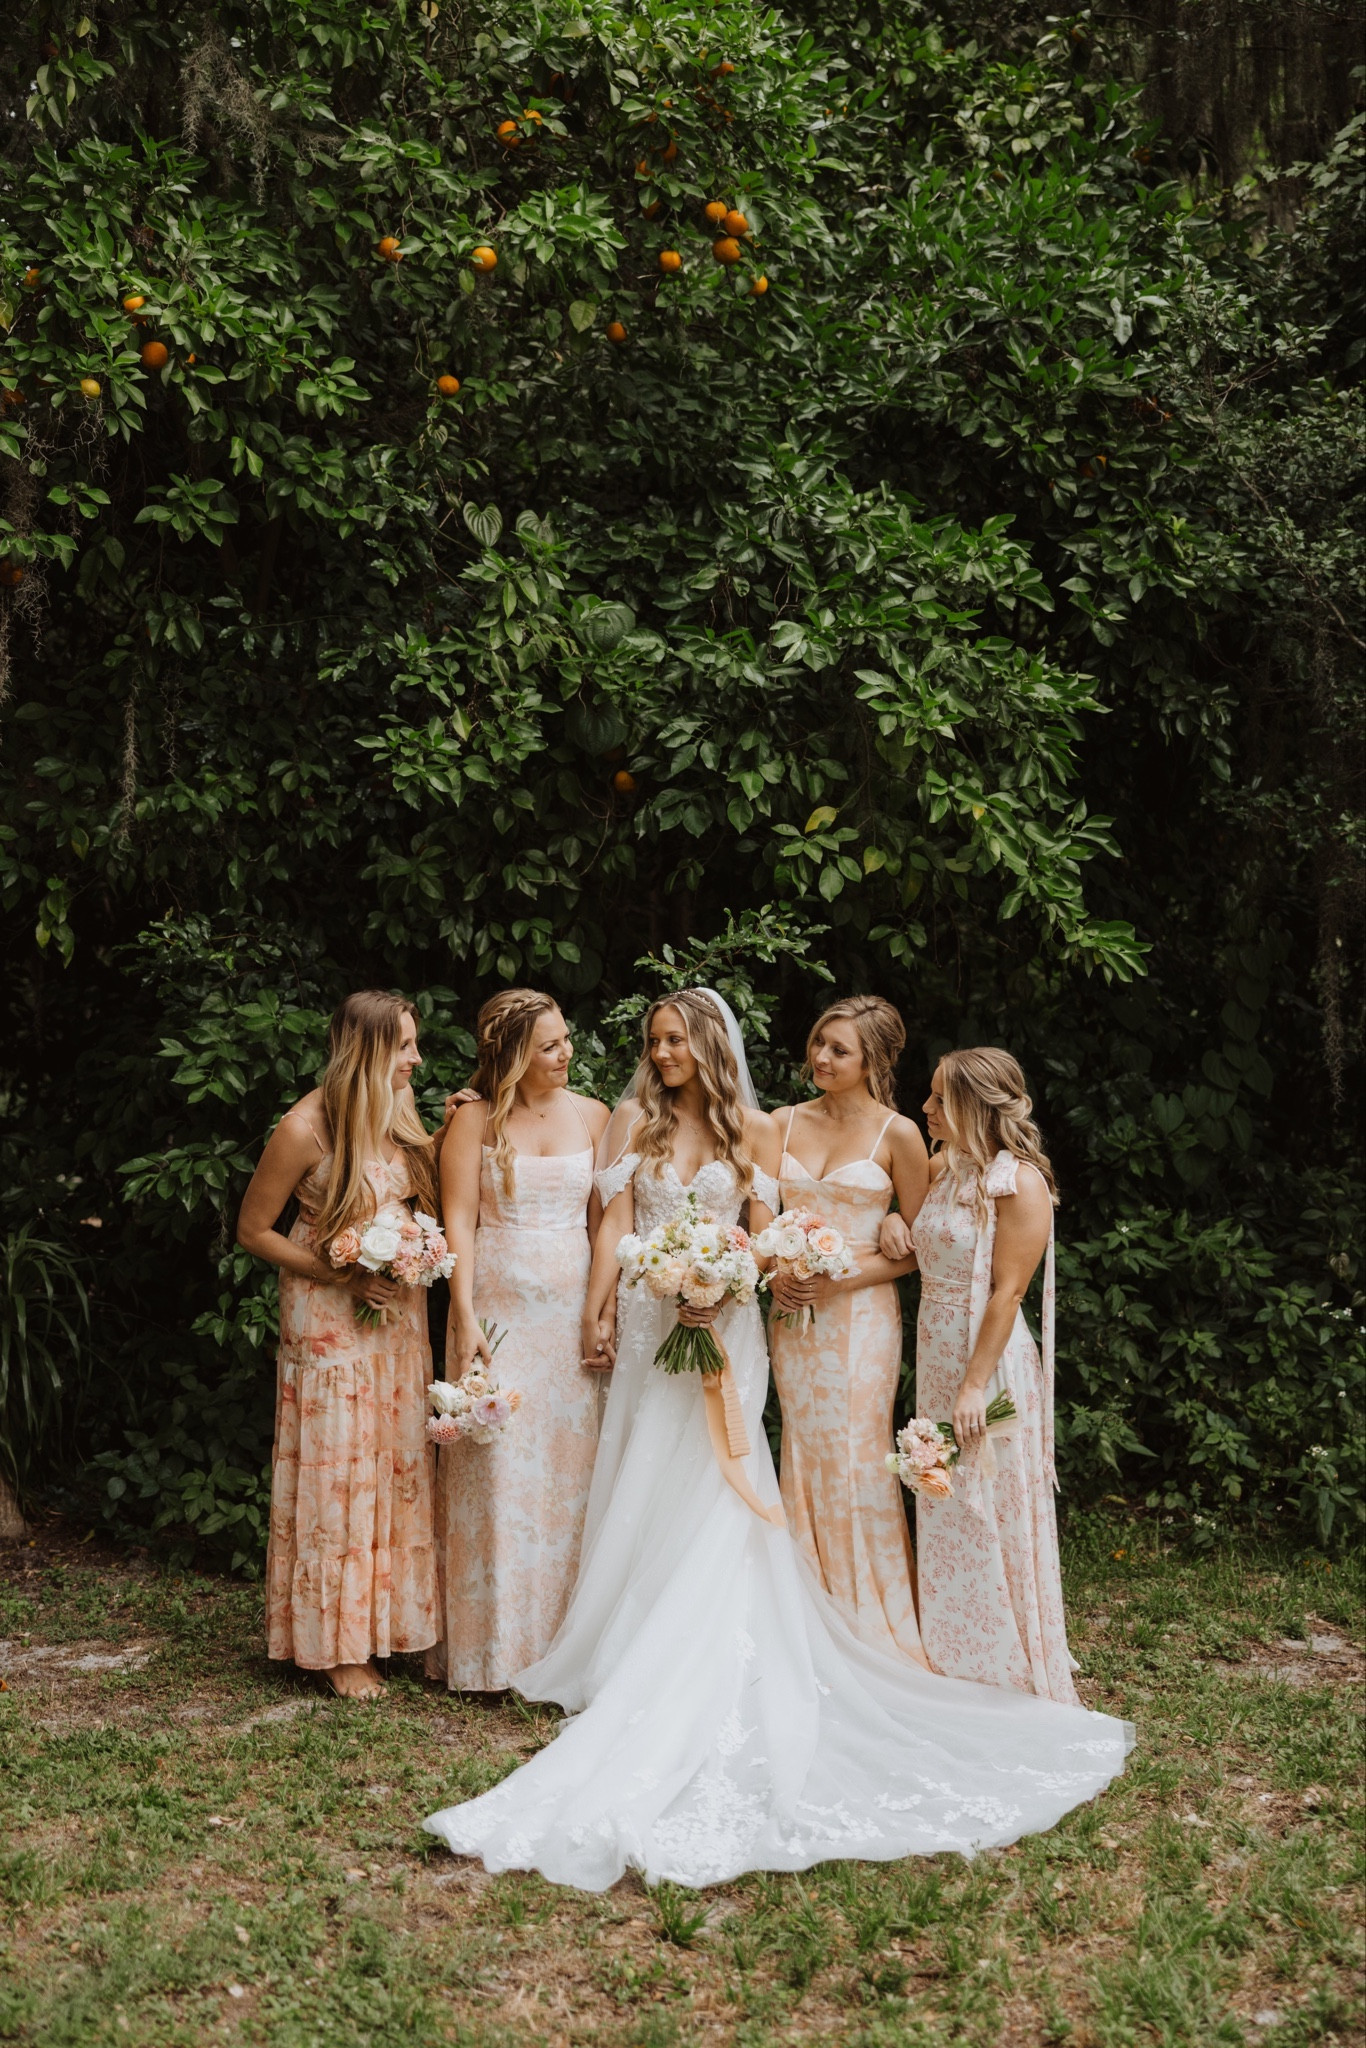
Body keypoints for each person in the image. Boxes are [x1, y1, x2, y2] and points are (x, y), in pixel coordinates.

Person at [423, 991, 1131, 1890]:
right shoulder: (628, 1117)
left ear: (708, 1043)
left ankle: (770, 1626)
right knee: (641, 1466)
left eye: (677, 1037)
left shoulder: (755, 1129)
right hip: (649, 1321)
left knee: (728, 1475)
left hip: (730, 1323)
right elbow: (610, 1221)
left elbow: (763, 1233)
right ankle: (627, 1639)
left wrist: (726, 1281)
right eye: (654, 1040)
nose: (663, 1050)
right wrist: (605, 1303)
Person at [237, 990, 442, 1699]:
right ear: (367, 1052)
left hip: (397, 1317)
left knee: (391, 1463)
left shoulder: (401, 1112)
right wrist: (340, 1273)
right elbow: (255, 1230)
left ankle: (383, 1626)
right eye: (405, 1047)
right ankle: (334, 1647)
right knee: (339, 1468)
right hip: (329, 1316)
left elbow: (429, 1202)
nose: (416, 1058)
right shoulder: (306, 1127)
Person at [880, 1048, 1079, 1701]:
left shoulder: (1017, 1183)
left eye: (938, 1098)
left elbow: (1008, 1291)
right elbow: (910, 1224)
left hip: (985, 1360)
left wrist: (973, 1385)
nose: (926, 1107)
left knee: (985, 1494)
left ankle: (1003, 1649)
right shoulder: (944, 1169)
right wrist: (890, 1222)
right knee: (944, 1492)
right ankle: (954, 1639)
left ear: (971, 1104)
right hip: (936, 1352)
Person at [426, 990, 610, 1691]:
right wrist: (464, 1312)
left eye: (566, 1040)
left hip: (570, 1312)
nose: (566, 1054)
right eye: (550, 1046)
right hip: (494, 1306)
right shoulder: (473, 1120)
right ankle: (492, 1655)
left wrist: (604, 1312)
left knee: (570, 1473)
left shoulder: (594, 1116)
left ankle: (565, 1650)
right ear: (511, 1057)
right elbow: (460, 1223)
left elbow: (603, 1228)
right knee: (497, 1473)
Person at [768, 995, 930, 1664]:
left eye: (839, 1050)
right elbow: (754, 1215)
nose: (821, 1058)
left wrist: (847, 1275)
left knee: (858, 1455)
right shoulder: (777, 1122)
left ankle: (867, 1618)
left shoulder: (898, 1134)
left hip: (862, 1320)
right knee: (802, 1450)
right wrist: (773, 1269)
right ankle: (801, 1615)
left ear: (876, 1061)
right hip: (792, 1314)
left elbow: (921, 1247)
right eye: (818, 1043)